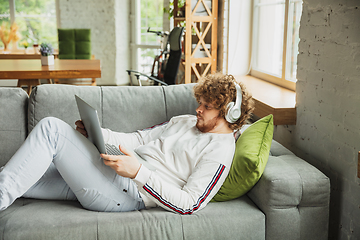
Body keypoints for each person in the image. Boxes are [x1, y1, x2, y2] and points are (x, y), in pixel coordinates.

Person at [0, 73, 254, 214]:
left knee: (51, 128)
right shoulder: (185, 121)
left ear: (229, 114)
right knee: (18, 174)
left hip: (128, 194)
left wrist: (138, 172)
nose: (198, 110)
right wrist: (98, 133)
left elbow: (190, 203)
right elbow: (139, 139)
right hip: (108, 174)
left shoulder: (220, 151)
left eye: (207, 107)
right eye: (200, 103)